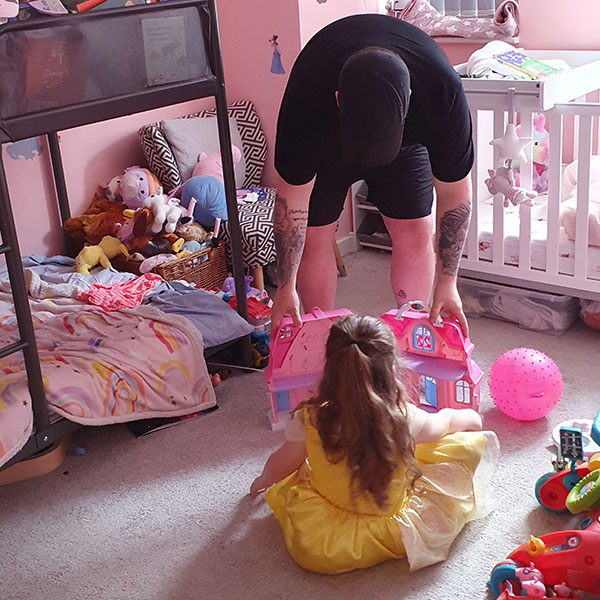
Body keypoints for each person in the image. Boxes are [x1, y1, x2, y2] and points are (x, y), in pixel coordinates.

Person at [271, 14, 474, 339]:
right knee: (314, 238)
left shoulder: (441, 90)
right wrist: (285, 286)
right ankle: (318, 336)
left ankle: (412, 333)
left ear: (409, 101)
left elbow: (455, 195)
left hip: (406, 147)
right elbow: (291, 202)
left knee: (416, 230)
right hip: (327, 151)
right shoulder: (306, 99)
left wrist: (448, 282)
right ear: (337, 99)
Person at [250, 314, 499, 574]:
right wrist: (472, 418)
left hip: (324, 538)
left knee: (303, 472)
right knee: (461, 444)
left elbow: (284, 461)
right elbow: (445, 423)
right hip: (388, 527)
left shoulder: (312, 417)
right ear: (391, 369)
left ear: (331, 368)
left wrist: (264, 479)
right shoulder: (404, 419)